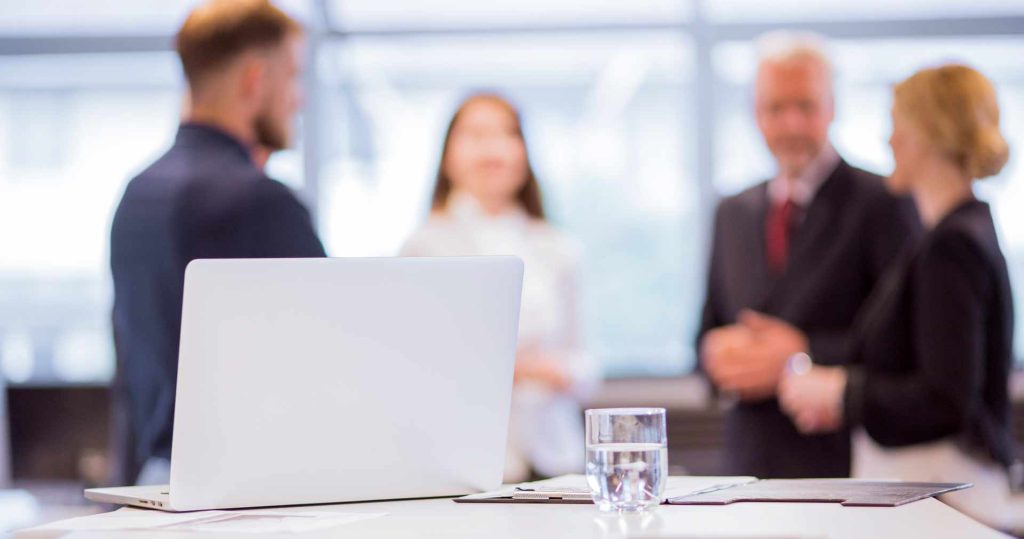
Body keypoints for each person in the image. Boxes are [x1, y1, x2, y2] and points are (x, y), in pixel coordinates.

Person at [779, 64, 1021, 529]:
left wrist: (843, 392)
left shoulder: (952, 246)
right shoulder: (956, 232)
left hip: (942, 503)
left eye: (897, 126)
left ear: (929, 134)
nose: (889, 142)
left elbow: (946, 398)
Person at [110, 0, 325, 486]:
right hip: (246, 490)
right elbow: (327, 365)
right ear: (255, 80)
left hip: (153, 481)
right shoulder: (263, 202)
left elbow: (128, 374)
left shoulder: (135, 196)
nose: (300, 98)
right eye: (293, 77)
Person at [697, 31, 920, 479]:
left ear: (832, 107)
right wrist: (714, 356)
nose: (791, 124)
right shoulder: (731, 212)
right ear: (755, 115)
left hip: (847, 466)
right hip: (747, 467)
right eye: (776, 109)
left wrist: (801, 355)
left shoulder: (883, 202)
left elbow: (907, 345)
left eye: (806, 106)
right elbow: (708, 330)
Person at [400, 93, 598, 481]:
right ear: (447, 155)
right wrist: (514, 369)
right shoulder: (423, 247)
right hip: (462, 464)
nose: (492, 148)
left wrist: (546, 372)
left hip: (556, 459)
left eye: (506, 134)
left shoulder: (557, 247)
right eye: (475, 134)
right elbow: (415, 368)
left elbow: (586, 366)